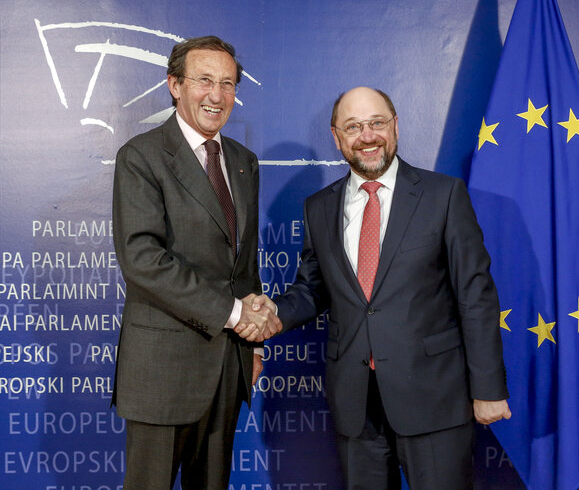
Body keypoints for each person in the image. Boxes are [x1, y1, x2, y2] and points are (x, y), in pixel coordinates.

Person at [247, 86, 511, 489]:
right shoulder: (319, 208)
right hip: (356, 405)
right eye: (353, 126)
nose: (367, 136)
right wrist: (274, 314)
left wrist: (488, 389)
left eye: (376, 123)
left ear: (395, 127)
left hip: (434, 399)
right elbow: (313, 290)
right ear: (337, 137)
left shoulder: (443, 195)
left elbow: (475, 296)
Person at [111, 35, 280, 490]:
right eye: (204, 80)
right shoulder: (141, 156)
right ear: (175, 85)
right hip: (162, 370)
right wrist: (234, 313)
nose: (217, 95)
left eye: (227, 84)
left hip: (228, 365)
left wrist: (256, 341)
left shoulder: (243, 161)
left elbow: (242, 263)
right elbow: (143, 259)